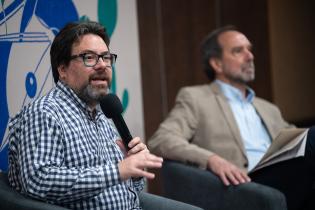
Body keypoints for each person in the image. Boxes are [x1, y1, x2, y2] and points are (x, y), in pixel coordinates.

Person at [7, 21, 201, 210]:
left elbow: (126, 189)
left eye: (106, 57)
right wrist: (118, 170)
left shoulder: (100, 117)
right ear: (63, 69)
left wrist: (132, 172)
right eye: (89, 57)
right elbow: (38, 181)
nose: (102, 66)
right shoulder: (45, 113)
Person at [148, 25, 315, 210]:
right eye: (238, 51)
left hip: (283, 176)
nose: (250, 56)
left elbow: (300, 142)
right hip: (242, 183)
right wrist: (212, 159)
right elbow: (161, 139)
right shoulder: (195, 98)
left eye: (249, 50)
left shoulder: (269, 109)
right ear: (216, 63)